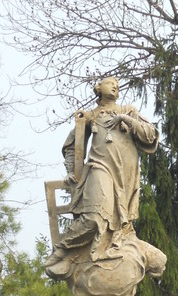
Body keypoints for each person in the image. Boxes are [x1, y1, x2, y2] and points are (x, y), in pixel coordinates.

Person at [45, 77, 160, 279]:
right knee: (94, 218)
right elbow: (73, 146)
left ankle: (110, 250)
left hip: (125, 177)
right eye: (110, 83)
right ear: (98, 88)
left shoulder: (128, 110)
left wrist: (126, 120)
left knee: (120, 227)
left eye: (117, 84)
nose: (115, 85)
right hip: (99, 168)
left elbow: (150, 135)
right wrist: (71, 170)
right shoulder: (91, 116)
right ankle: (62, 251)